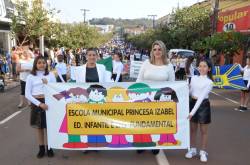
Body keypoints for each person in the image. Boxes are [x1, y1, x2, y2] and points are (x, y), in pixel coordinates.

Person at [137, 40, 175, 155]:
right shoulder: (146, 63)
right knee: (143, 123)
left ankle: (155, 143)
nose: (157, 52)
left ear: (163, 51)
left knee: (156, 123)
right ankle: (142, 143)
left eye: (159, 49)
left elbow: (172, 84)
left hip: (161, 101)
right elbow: (139, 80)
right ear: (152, 51)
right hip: (145, 99)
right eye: (155, 49)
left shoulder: (169, 66)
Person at [71, 48, 112, 148]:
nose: (92, 57)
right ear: (86, 57)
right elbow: (76, 85)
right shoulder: (79, 69)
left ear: (97, 56)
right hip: (85, 101)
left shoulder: (102, 67)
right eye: (89, 55)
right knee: (87, 122)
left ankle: (97, 144)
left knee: (97, 122)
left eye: (94, 55)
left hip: (98, 101)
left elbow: (108, 82)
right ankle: (88, 144)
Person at [25, 56, 56, 158]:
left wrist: (48, 85)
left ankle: (49, 148)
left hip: (48, 102)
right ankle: (41, 148)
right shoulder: (30, 77)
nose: (42, 64)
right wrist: (39, 104)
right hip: (37, 103)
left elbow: (55, 90)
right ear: (35, 64)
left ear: (46, 64)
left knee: (49, 127)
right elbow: (27, 94)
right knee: (39, 127)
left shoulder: (50, 75)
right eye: (39, 63)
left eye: (43, 62)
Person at [185, 59, 213, 163]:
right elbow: (190, 92)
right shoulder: (193, 78)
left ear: (209, 69)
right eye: (200, 66)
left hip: (203, 105)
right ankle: (192, 150)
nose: (202, 68)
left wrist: (192, 113)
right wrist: (186, 88)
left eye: (204, 66)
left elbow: (201, 98)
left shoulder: (209, 82)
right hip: (192, 103)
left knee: (203, 131)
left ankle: (203, 151)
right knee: (193, 129)